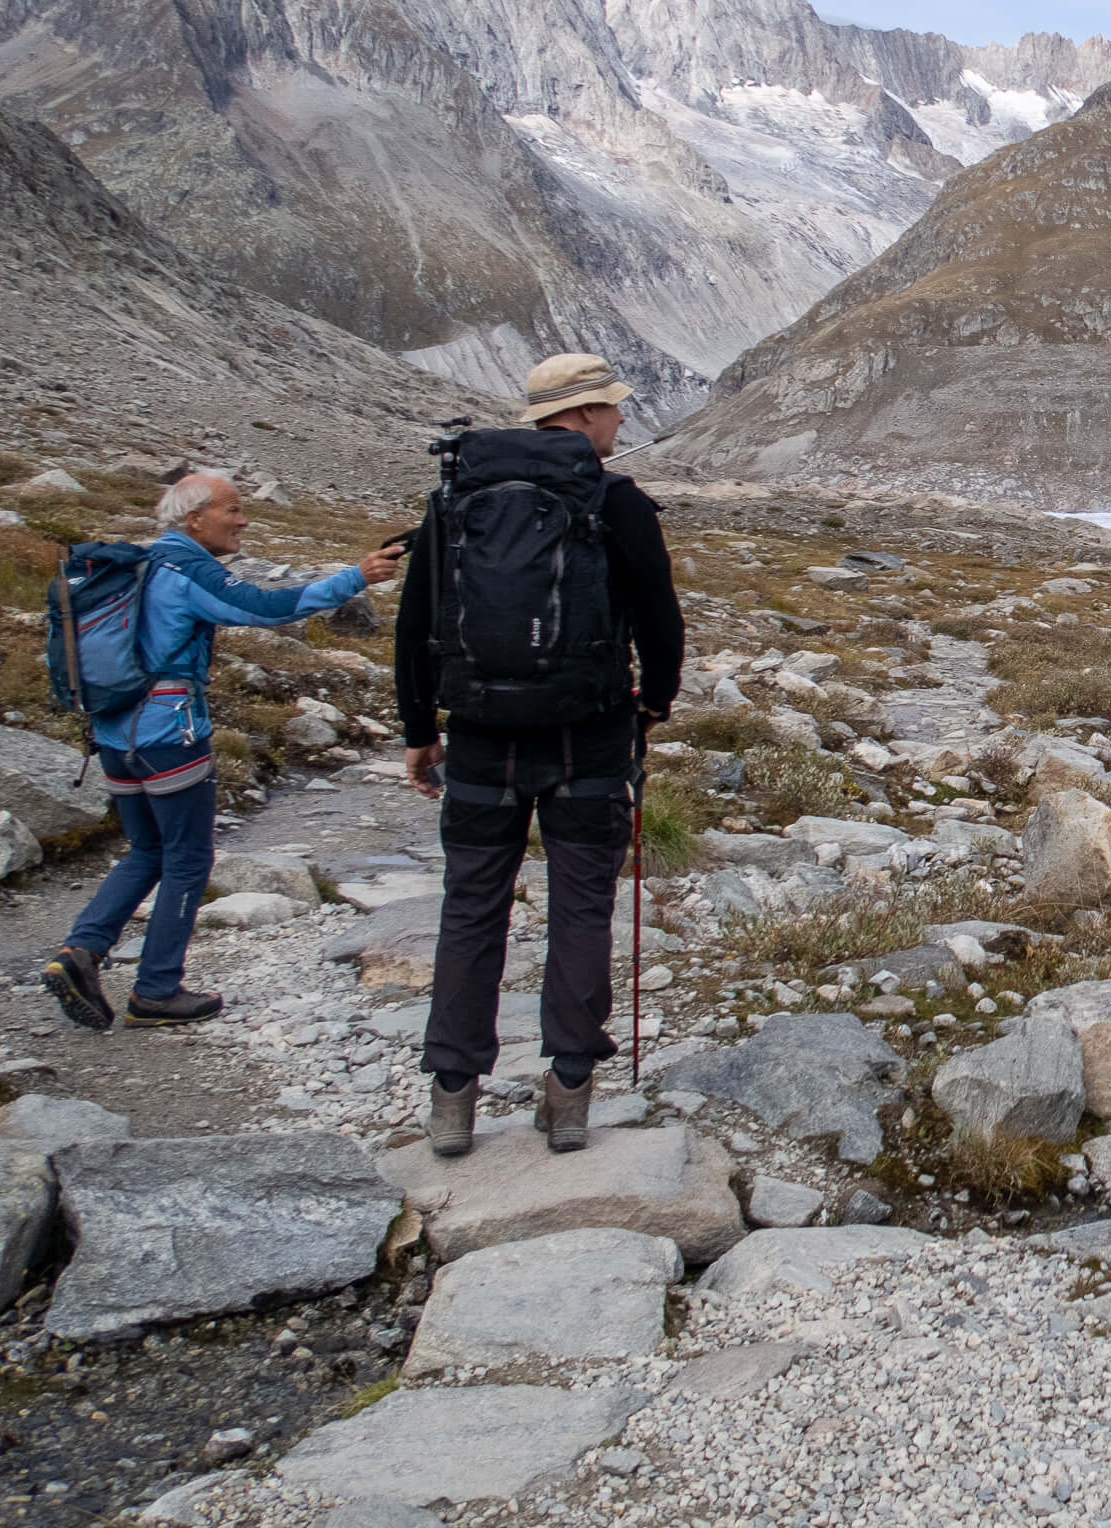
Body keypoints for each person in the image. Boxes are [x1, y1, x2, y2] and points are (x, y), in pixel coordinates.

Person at [396, 354, 683, 1158]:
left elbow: (419, 618)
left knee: (471, 907)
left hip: (482, 736)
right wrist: (651, 707)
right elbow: (660, 619)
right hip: (588, 735)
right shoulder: (614, 500)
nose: (621, 422)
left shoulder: (457, 493)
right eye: (614, 410)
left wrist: (421, 730)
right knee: (582, 908)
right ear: (586, 414)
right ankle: (568, 1096)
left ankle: (453, 1098)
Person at [42, 474, 402, 1031]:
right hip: (168, 730)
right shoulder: (187, 569)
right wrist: (355, 577)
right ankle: (157, 991)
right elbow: (267, 607)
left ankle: (81, 951)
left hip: (114, 730)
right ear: (194, 519)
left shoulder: (139, 563)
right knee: (187, 858)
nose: (243, 520)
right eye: (232, 510)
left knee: (146, 849)